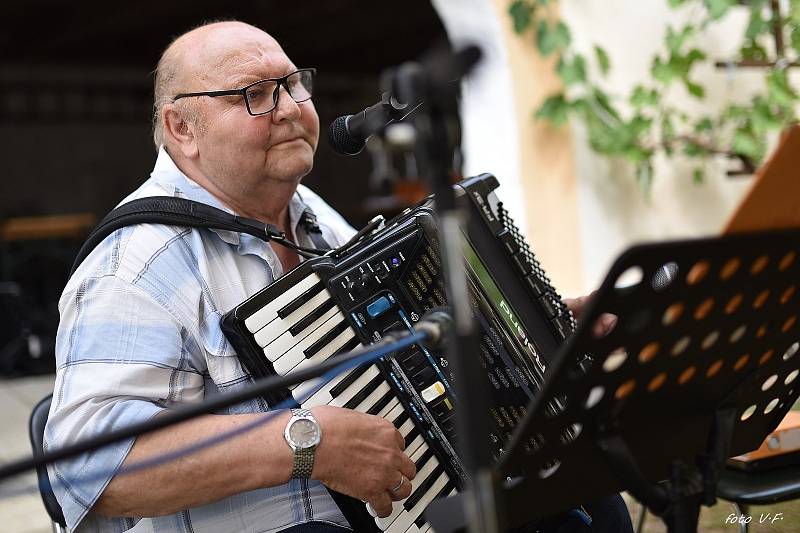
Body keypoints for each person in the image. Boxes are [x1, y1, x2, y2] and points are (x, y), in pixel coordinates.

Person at [45, 20, 632, 533]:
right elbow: (89, 465)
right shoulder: (136, 263)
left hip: (394, 509)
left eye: (293, 83)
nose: (289, 106)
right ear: (182, 128)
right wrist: (304, 445)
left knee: (588, 498)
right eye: (254, 94)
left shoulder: (313, 215)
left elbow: (406, 354)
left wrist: (532, 329)